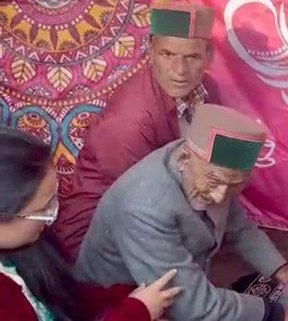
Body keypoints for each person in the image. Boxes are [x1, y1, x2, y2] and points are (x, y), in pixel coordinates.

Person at [76, 104, 288, 321]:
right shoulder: (145, 207)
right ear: (184, 158)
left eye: (233, 185)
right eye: (215, 182)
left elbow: (236, 224)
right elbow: (191, 305)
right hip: (118, 309)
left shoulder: (207, 169)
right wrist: (274, 314)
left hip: (177, 291)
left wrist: (278, 268)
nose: (220, 196)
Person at [53, 1, 223, 262]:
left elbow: (213, 167)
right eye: (167, 54)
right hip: (95, 240)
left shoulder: (206, 90)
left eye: (192, 57)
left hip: (163, 210)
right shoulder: (131, 120)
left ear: (208, 56)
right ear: (150, 51)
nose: (179, 71)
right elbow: (140, 205)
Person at [0, 126, 182, 321]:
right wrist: (137, 311)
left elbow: (69, 298)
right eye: (42, 210)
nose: (51, 216)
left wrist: (127, 296)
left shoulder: (27, 246)